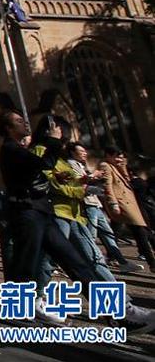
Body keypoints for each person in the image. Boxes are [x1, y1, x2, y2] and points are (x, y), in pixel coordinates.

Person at [35, 133, 155, 330]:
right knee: (50, 261)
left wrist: (83, 185)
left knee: (94, 259)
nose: (61, 137)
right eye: (57, 132)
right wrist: (83, 189)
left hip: (74, 215)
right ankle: (35, 299)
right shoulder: (42, 154)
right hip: (57, 214)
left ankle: (122, 309)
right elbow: (55, 184)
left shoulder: (62, 160)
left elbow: (70, 183)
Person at [0, 110, 98, 301]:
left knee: (74, 261)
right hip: (27, 212)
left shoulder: (19, 150)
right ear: (8, 129)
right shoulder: (10, 149)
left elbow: (35, 173)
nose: (25, 123)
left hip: (41, 211)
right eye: (18, 121)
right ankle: (19, 311)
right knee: (25, 267)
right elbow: (44, 164)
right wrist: (54, 140)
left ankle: (113, 311)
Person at [67, 143, 142, 272]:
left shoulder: (81, 165)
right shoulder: (71, 164)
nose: (85, 153)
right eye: (81, 151)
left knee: (108, 234)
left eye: (85, 151)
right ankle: (89, 263)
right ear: (73, 153)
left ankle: (122, 262)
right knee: (90, 236)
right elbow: (77, 183)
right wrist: (93, 176)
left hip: (94, 203)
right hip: (87, 204)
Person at [101, 145, 155, 272]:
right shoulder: (106, 166)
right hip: (122, 204)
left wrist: (122, 166)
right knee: (140, 232)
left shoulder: (118, 167)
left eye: (121, 156)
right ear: (108, 156)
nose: (119, 159)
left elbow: (127, 181)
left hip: (131, 204)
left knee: (138, 231)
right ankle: (152, 263)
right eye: (116, 156)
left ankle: (112, 256)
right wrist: (113, 203)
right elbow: (107, 185)